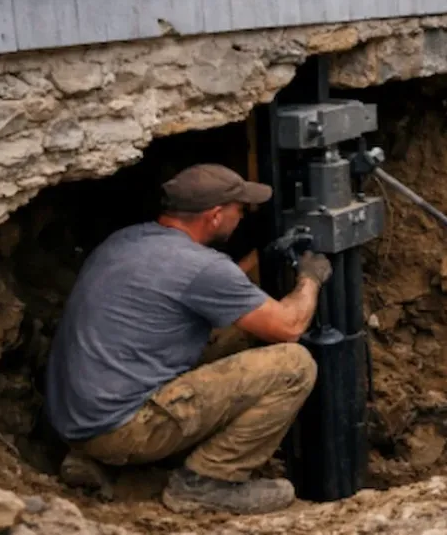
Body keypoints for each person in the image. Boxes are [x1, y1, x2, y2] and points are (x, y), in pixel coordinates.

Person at [44, 163, 332, 515]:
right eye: (239, 209)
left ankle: (94, 459)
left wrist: (261, 258)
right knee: (293, 365)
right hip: (121, 427)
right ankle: (206, 483)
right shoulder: (204, 268)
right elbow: (289, 326)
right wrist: (310, 279)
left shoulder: (127, 240)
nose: (242, 216)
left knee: (238, 331)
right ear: (214, 216)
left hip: (77, 418)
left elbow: (206, 291)